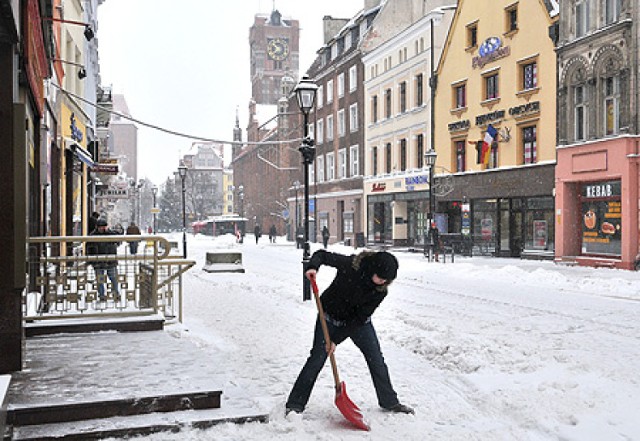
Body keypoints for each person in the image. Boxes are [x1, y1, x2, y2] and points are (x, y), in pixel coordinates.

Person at [286, 249, 414, 416]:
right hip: (329, 318)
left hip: (357, 323)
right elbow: (322, 255)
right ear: (373, 268)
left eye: (386, 280)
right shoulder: (351, 265)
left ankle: (389, 401)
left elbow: (359, 318)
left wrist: (335, 340)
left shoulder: (379, 291)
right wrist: (312, 267)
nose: (382, 282)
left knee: (376, 359)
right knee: (316, 359)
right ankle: (295, 404)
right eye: (381, 277)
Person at [87, 219, 121, 302]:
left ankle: (116, 294)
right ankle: (102, 295)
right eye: (101, 227)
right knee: (100, 279)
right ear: (97, 227)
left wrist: (110, 232)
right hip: (98, 261)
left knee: (113, 278)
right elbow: (88, 248)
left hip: (110, 261)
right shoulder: (92, 236)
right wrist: (91, 260)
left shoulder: (111, 234)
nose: (102, 229)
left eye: (104, 227)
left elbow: (118, 241)